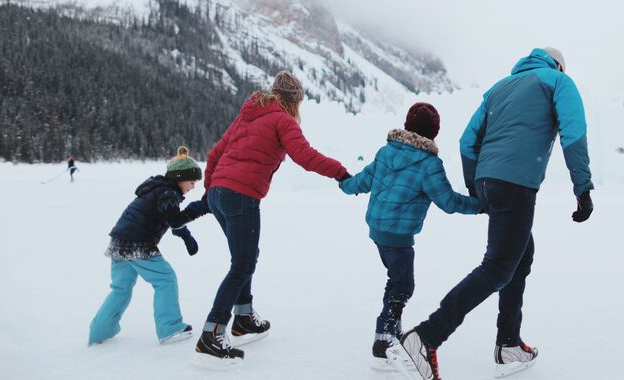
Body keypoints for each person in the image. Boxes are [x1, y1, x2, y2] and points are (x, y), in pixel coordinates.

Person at [393, 48, 595, 380]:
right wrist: (582, 187)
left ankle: (509, 344)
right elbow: (573, 132)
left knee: (520, 256)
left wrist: (478, 188)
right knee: (498, 267)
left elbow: (466, 142)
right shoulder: (559, 81)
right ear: (558, 64)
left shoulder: (499, 88)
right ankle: (424, 337)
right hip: (516, 183)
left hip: (490, 181)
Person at [194, 71, 350, 368]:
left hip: (219, 193)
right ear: (295, 101)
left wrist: (210, 190)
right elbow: (305, 156)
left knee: (246, 257)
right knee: (242, 265)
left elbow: (215, 153)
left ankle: (242, 317)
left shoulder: (249, 114)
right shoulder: (282, 120)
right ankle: (212, 334)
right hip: (240, 196)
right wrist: (340, 172)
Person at [338, 102, 483, 371]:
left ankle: (392, 330)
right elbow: (448, 202)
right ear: (433, 132)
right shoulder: (428, 164)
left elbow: (362, 181)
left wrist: (345, 183)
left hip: (377, 230)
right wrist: (480, 205)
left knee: (396, 280)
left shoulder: (386, 152)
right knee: (403, 286)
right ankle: (384, 341)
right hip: (399, 235)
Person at [88, 147, 209, 346]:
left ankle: (100, 331)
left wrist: (187, 237)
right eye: (192, 181)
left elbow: (172, 220)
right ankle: (169, 328)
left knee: (121, 288)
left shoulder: (159, 190)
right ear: (180, 177)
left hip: (119, 241)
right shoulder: (167, 193)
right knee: (165, 279)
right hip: (138, 243)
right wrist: (200, 208)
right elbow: (175, 219)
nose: (193, 186)